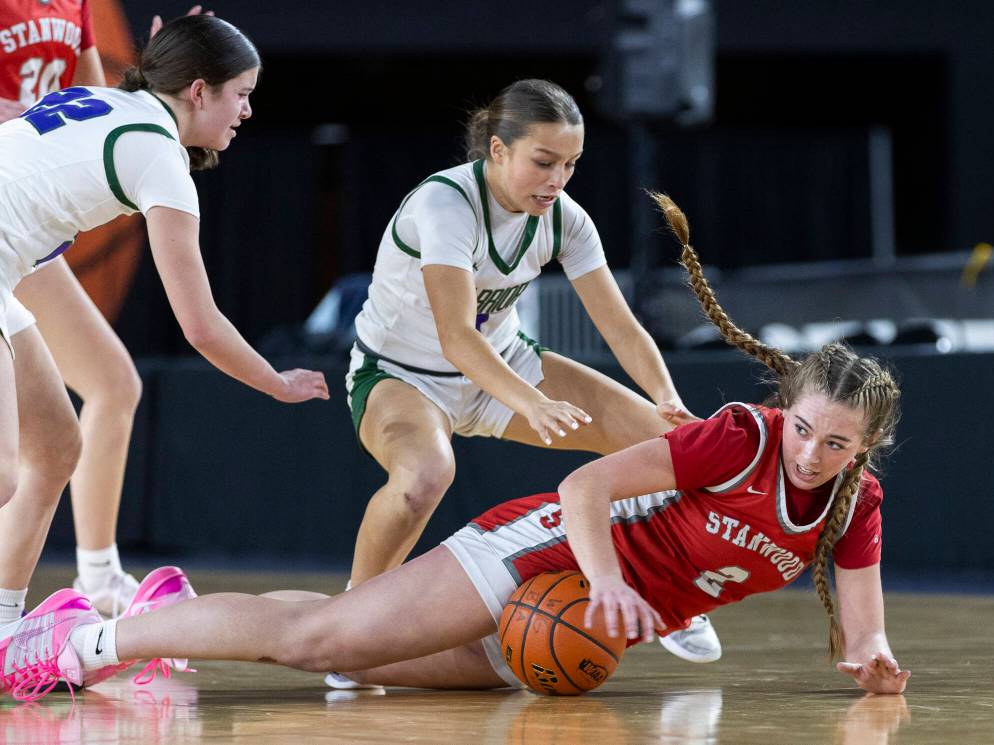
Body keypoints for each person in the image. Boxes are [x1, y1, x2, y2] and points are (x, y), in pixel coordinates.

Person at [0, 194, 910, 701]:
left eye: (835, 444)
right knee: (321, 638)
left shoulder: (851, 501)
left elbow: (860, 618)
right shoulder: (742, 439)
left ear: (867, 447)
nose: (809, 453)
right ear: (782, 409)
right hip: (541, 553)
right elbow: (589, 486)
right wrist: (608, 583)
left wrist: (868, 660)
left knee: (347, 652)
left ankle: (170, 615)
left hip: (576, 615)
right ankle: (81, 640)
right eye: (804, 428)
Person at [341, 78, 718, 674]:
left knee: (668, 449)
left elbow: (621, 328)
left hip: (505, 359)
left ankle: (666, 598)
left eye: (570, 164)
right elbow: (456, 336)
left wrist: (667, 397)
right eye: (543, 162)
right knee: (425, 476)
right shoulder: (446, 204)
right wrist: (530, 402)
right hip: (404, 374)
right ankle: (348, 630)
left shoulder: (565, 218)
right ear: (497, 150)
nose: (557, 180)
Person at [0, 11, 327, 686]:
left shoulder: (109, 101)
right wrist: (275, 381)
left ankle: (4, 628)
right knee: (6, 470)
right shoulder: (157, 154)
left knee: (56, 444)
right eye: (240, 92)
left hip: (8, 267)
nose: (248, 109)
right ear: (199, 91)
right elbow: (200, 324)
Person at [0, 1, 211, 618]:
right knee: (11, 465)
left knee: (110, 386)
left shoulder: (76, 4)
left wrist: (167, 69)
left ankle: (96, 578)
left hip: (23, 231)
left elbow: (97, 99)